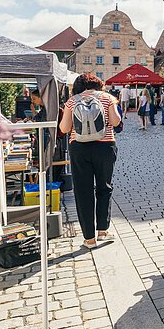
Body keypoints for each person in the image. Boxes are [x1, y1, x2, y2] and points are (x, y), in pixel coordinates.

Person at [58, 73, 121, 249]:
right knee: (104, 187)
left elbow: (64, 128)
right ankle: (102, 231)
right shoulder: (108, 98)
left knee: (83, 191)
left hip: (79, 148)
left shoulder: (72, 100)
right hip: (105, 146)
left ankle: (89, 239)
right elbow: (116, 122)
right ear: (97, 84)